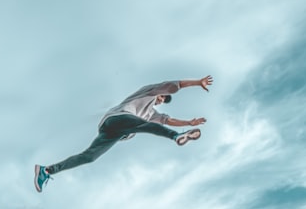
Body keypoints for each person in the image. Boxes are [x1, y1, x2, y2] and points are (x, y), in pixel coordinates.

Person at [34, 75, 213, 192]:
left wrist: (189, 122)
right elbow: (175, 85)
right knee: (145, 126)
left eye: (163, 100)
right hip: (118, 118)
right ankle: (176, 137)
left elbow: (167, 120)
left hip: (112, 132)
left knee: (89, 157)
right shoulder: (149, 92)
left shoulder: (152, 113)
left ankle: (47, 170)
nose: (160, 99)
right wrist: (197, 83)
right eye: (162, 96)